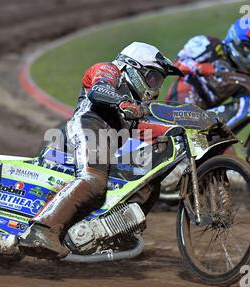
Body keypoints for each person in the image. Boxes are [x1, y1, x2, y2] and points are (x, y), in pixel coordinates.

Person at [20, 42, 182, 258]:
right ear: (133, 68)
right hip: (88, 125)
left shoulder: (136, 102)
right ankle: (42, 230)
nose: (156, 86)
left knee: (146, 182)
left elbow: (143, 129)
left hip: (108, 141)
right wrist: (122, 103)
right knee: (94, 181)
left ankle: (117, 233)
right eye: (153, 78)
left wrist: (182, 129)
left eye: (159, 81)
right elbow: (98, 90)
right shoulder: (110, 69)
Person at [165, 19, 250, 127]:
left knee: (247, 104)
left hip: (204, 114)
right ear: (236, 40)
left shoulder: (242, 77)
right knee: (191, 137)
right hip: (181, 100)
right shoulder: (209, 44)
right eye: (249, 48)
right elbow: (177, 64)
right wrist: (198, 67)